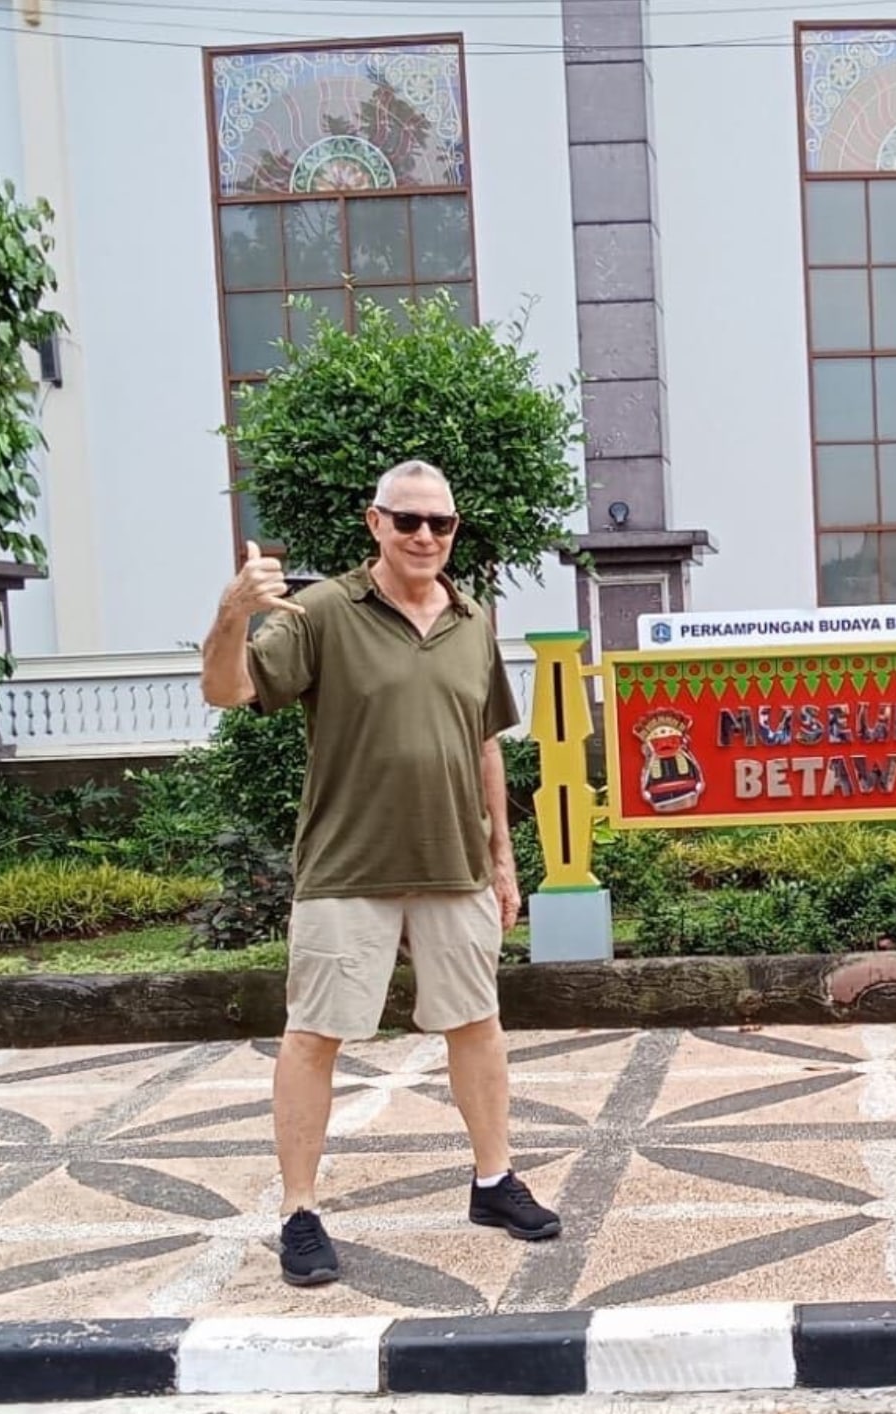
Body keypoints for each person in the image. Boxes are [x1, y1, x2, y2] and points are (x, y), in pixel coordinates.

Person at [200, 458, 561, 1287]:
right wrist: (231, 613)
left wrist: (503, 859)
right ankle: (298, 1212)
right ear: (375, 524)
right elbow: (228, 690)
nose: (426, 537)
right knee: (313, 1036)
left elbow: (485, 745)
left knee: (476, 1025)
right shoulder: (322, 612)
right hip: (346, 869)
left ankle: (494, 1180)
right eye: (409, 521)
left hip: (455, 867)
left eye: (442, 523)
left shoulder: (473, 621)